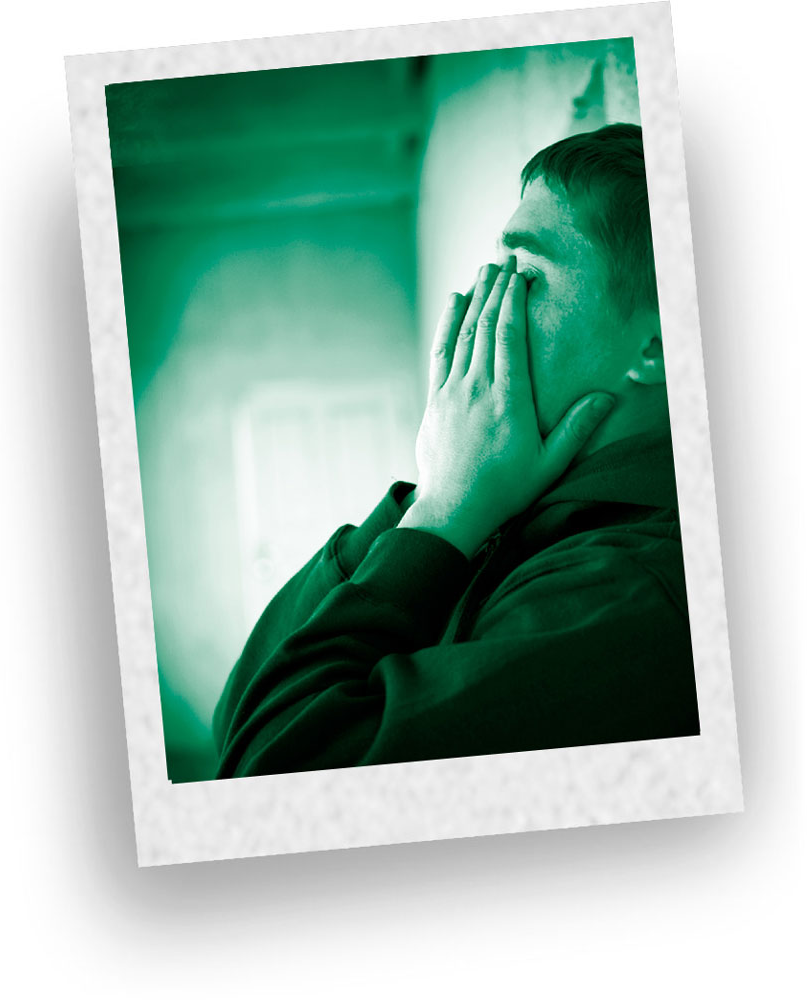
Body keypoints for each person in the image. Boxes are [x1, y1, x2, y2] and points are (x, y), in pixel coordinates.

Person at [212, 122, 699, 779]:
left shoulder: (626, 594)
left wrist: (441, 514)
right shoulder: (504, 510)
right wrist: (433, 495)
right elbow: (239, 714)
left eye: (525, 274)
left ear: (658, 346)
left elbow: (270, 772)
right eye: (491, 271)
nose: (475, 306)